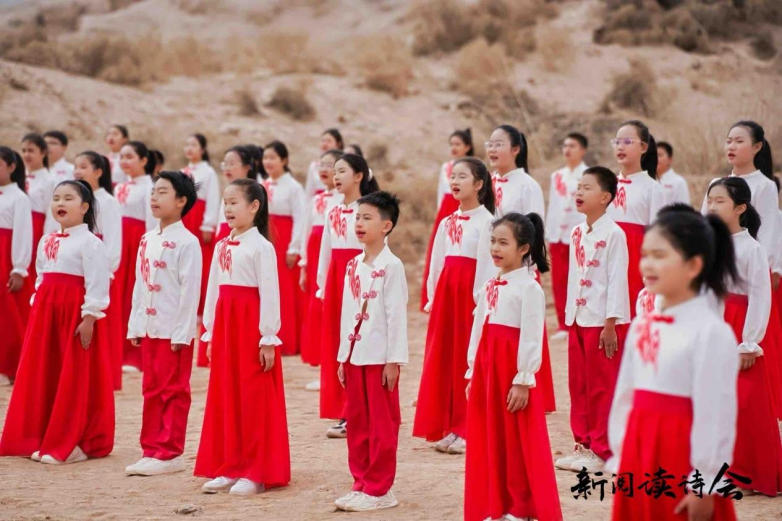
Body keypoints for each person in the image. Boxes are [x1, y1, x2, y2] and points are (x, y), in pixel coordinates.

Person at [608, 208, 739, 521]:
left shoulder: (711, 331)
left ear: (693, 265)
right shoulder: (642, 325)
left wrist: (705, 482)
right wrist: (623, 454)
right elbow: (625, 395)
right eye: (645, 255)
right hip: (639, 452)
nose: (647, 264)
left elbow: (715, 413)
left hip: (681, 456)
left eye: (659, 255)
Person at [0, 180, 113, 465]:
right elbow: (41, 276)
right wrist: (38, 308)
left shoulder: (91, 242)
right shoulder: (47, 240)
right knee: (45, 371)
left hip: (74, 315)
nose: (60, 203)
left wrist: (89, 317)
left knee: (73, 375)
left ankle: (75, 441)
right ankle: (39, 435)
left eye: (68, 198)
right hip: (46, 315)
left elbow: (97, 283)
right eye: (56, 198)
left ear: (84, 207)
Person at [464, 212, 562, 521]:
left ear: (524, 248)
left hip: (512, 371)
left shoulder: (529, 288)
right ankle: (498, 505)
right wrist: (472, 371)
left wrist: (523, 378)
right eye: (493, 241)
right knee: (491, 437)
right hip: (488, 368)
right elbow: (478, 330)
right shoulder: (490, 285)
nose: (495, 248)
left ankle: (522, 509)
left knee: (517, 441)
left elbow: (532, 336)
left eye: (503, 243)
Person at [195, 178, 290, 496]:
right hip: (226, 325)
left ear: (254, 207)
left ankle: (255, 471)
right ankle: (230, 465)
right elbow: (213, 290)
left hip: (250, 326)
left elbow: (270, 293)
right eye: (225, 202)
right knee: (226, 395)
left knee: (252, 397)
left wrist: (268, 338)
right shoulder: (221, 245)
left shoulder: (262, 247)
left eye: (234, 202)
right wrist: (210, 332)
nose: (228, 208)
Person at [413, 157, 495, 455]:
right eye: (453, 176)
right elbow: (437, 263)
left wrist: (480, 302)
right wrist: (434, 298)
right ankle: (449, 425)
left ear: (479, 184)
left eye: (463, 177)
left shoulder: (488, 222)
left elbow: (488, 266)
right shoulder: (447, 222)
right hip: (447, 297)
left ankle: (467, 427)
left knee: (466, 358)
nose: (455, 182)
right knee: (445, 359)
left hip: (470, 298)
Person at [706, 177, 782, 496]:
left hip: (738, 327)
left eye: (719, 201)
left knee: (745, 402)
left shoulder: (752, 249)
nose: (712, 206)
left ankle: (750, 472)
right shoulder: (709, 244)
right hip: (713, 323)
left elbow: (760, 297)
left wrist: (749, 342)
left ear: (740, 208)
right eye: (710, 200)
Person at [334, 191, 407, 512]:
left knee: (382, 425)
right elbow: (346, 312)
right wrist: (342, 356)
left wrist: (394, 360)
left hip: (380, 358)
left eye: (367, 218)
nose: (359, 224)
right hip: (354, 355)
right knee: (358, 423)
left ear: (386, 226)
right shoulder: (353, 264)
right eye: (357, 217)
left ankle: (380, 489)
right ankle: (361, 482)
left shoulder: (392, 266)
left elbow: (397, 316)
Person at [125, 171, 201, 476]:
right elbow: (139, 284)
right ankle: (150, 449)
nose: (154, 198)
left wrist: (183, 332)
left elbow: (190, 290)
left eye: (162, 192)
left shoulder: (188, 242)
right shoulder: (147, 239)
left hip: (173, 330)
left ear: (181, 201)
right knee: (151, 388)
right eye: (153, 192)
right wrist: (135, 324)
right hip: (150, 325)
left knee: (173, 390)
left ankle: (170, 452)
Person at [555, 166, 631, 474]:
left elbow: (617, 280)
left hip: (602, 322)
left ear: (605, 197)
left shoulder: (615, 234)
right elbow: (574, 277)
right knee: (579, 385)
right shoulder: (576, 232)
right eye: (578, 187)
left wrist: (611, 323)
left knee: (601, 387)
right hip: (578, 318)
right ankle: (583, 444)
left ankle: (602, 448)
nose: (579, 192)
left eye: (587, 188)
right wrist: (569, 315)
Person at [317, 154, 379, 437]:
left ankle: (361, 410)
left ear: (359, 176)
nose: (336, 176)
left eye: (342, 171)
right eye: (334, 172)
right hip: (336, 281)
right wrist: (323, 286)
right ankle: (345, 410)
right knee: (338, 344)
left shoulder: (370, 211)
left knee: (359, 344)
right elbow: (326, 253)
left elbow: (378, 250)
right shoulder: (332, 212)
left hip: (361, 279)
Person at [74, 151, 124, 391]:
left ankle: (103, 379)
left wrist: (107, 270)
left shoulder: (108, 202)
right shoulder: (75, 199)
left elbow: (113, 240)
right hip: (77, 267)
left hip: (99, 269)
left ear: (98, 172)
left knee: (100, 325)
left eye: (83, 166)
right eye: (76, 166)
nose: (77, 171)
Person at [606, 120, 666, 317]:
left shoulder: (653, 188)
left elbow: (658, 233)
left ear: (643, 147)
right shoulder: (606, 185)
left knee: (630, 307)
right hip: (605, 252)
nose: (620, 147)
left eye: (627, 142)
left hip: (635, 257)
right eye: (617, 142)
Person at [299, 149, 344, 374]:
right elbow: (306, 231)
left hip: (334, 258)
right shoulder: (316, 200)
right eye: (322, 165)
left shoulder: (344, 201)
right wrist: (304, 265)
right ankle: (321, 363)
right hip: (315, 255)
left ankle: (334, 365)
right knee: (316, 309)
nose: (325, 170)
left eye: (331, 165)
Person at [116, 141, 158, 373]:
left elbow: (152, 223)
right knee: (118, 295)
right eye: (122, 157)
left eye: (130, 156)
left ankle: (133, 355)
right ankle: (116, 350)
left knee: (134, 295)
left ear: (144, 160)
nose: (124, 161)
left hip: (136, 243)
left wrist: (148, 249)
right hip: (119, 244)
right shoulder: (119, 187)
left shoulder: (150, 187)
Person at [262, 141, 307, 356]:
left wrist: (293, 248)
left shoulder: (293, 187)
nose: (268, 162)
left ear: (284, 160)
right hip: (266, 237)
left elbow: (300, 218)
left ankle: (287, 341)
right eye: (265, 158)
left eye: (273, 158)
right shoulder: (262, 184)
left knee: (284, 291)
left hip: (284, 240)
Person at [421, 128, 474, 310]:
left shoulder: (474, 167)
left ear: (467, 147)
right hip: (446, 208)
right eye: (451, 144)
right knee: (440, 252)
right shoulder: (445, 167)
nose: (454, 147)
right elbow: (440, 192)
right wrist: (440, 214)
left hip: (465, 206)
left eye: (458, 144)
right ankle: (435, 295)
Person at [181, 134, 220, 368]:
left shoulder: (208, 172)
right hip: (186, 217)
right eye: (187, 144)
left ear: (203, 149)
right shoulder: (183, 172)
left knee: (202, 265)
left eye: (194, 145)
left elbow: (213, 198)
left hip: (199, 218)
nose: (189, 148)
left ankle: (200, 311)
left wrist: (208, 223)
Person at [545, 132, 589, 339]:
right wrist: (548, 232)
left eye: (572, 146)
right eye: (565, 146)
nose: (567, 150)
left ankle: (581, 320)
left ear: (583, 150)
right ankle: (563, 324)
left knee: (580, 278)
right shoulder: (556, 176)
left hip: (579, 231)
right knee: (559, 279)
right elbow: (554, 204)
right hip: (558, 234)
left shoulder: (589, 175)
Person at [0, 147, 32, 386]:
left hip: (5, 255)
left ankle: (9, 367)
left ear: (11, 167)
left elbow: (22, 234)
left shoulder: (19, 197)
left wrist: (19, 268)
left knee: (8, 316)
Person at [21, 133, 57, 280]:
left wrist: (46, 239)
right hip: (17, 226)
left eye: (31, 150)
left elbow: (51, 214)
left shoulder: (50, 180)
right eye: (24, 150)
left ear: (43, 152)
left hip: (35, 228)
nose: (26, 154)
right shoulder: (18, 177)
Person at [305, 128, 344, 199]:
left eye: (329, 141)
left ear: (338, 144)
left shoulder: (344, 164)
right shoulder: (314, 165)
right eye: (323, 141)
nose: (325, 144)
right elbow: (309, 190)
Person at [656, 141, 690, 205]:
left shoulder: (678, 182)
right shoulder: (647, 181)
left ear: (670, 159)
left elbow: (683, 208)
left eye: (659, 155)